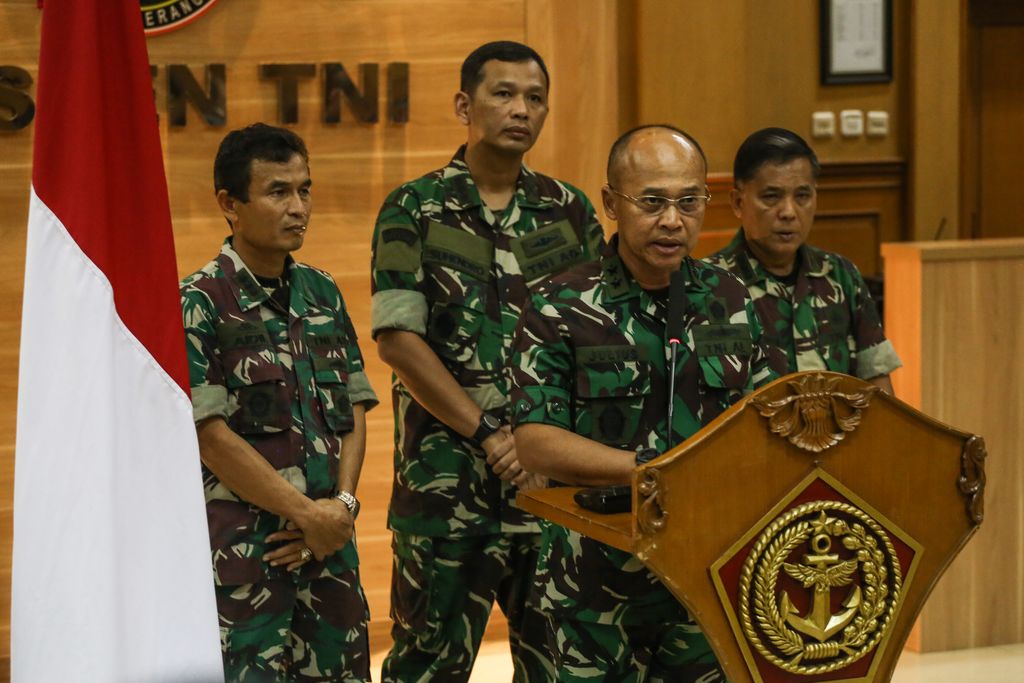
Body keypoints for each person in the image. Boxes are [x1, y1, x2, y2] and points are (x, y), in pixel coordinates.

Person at [370, 41, 605, 682]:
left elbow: (596, 341)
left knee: (564, 668)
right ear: (465, 104)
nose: (520, 110)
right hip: (448, 495)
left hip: (551, 494)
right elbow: (397, 340)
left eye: (534, 98)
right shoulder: (413, 208)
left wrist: (543, 447)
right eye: (503, 94)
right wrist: (489, 433)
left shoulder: (571, 211)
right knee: (426, 668)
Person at [509, 125, 775, 682]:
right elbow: (534, 440)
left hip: (704, 576)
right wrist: (654, 472)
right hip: (594, 586)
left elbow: (765, 419)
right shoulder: (561, 304)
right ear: (611, 203)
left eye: (689, 201)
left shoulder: (730, 298)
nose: (673, 221)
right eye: (652, 202)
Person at [181, 123, 377, 682]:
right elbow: (211, 437)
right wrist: (307, 515)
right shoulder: (199, 303)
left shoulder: (323, 291)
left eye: (305, 189)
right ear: (229, 204)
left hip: (330, 548)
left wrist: (341, 506)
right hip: (250, 558)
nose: (299, 208)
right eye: (278, 192)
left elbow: (355, 410)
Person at [705, 127, 901, 392]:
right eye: (771, 197)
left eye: (802, 196)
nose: (788, 212)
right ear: (738, 202)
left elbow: (878, 385)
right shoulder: (709, 286)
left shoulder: (840, 275)